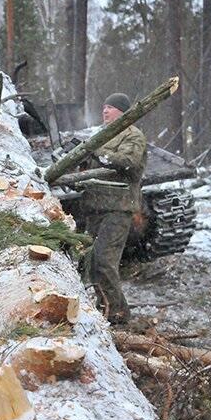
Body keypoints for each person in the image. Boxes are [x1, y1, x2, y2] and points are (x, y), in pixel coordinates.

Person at [80, 92, 147, 324]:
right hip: (96, 207)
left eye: (110, 107)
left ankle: (118, 316)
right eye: (103, 107)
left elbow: (128, 163)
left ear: (123, 111)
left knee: (104, 261)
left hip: (118, 208)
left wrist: (96, 151)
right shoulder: (103, 135)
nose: (105, 111)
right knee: (90, 262)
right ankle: (106, 308)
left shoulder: (132, 135)